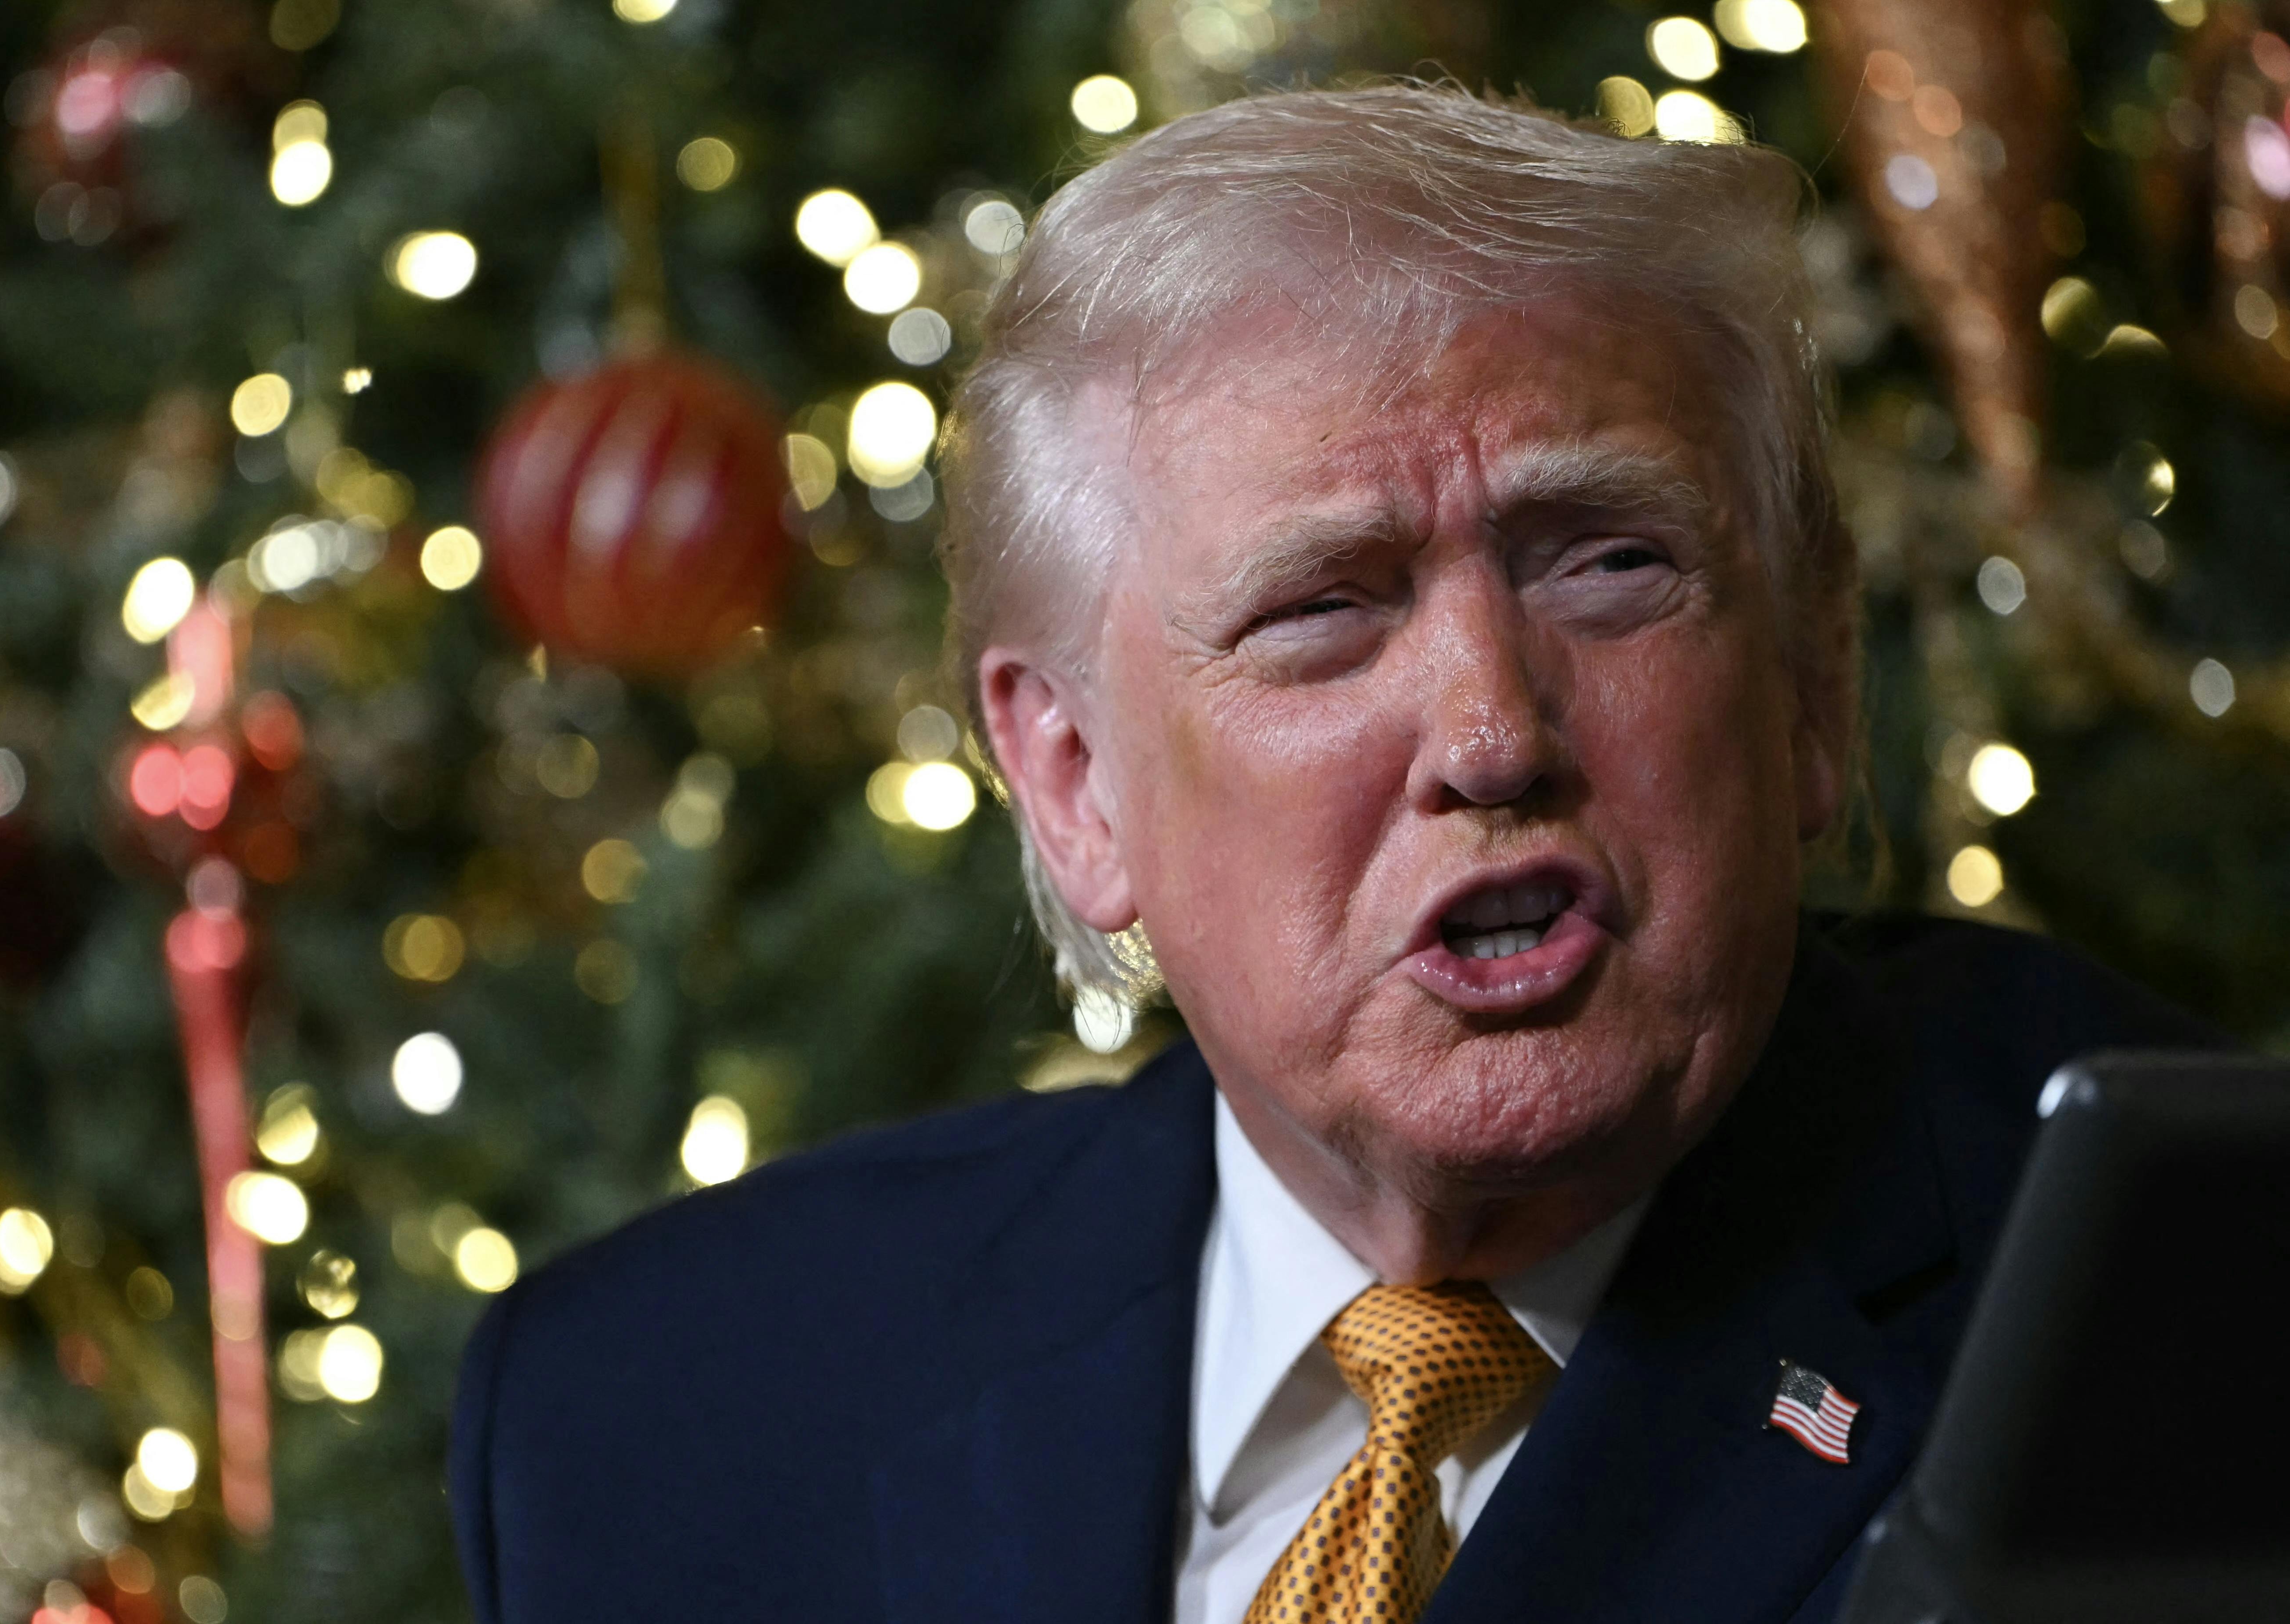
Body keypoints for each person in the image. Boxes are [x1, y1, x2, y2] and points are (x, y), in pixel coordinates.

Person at [448, 86, 2205, 1624]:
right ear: (1072, 780)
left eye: (1604, 562)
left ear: (1814, 672)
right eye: (1320, 609)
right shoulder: (654, 1413)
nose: (1492, 731)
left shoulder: (2182, 1323)